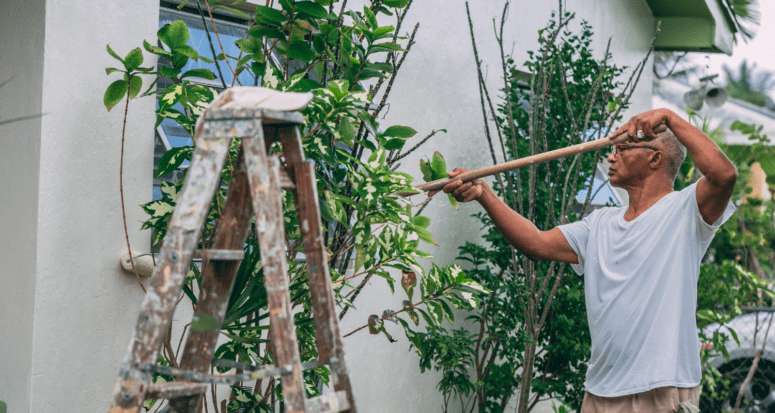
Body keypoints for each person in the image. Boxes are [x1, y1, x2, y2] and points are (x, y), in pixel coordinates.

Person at [440, 108, 737, 412]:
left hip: (659, 387)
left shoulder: (684, 211)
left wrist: (670, 118)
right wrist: (483, 193)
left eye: (622, 149)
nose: (610, 157)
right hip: (599, 390)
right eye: (612, 150)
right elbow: (536, 242)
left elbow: (724, 175)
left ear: (655, 158)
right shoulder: (600, 224)